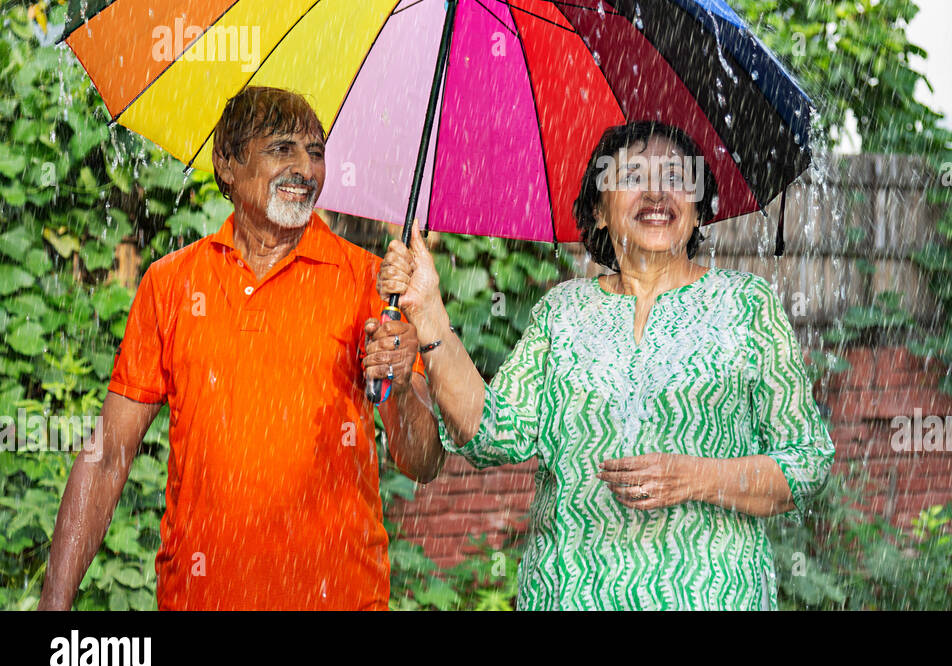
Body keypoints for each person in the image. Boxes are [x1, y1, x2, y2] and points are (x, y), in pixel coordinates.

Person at [378, 120, 834, 609]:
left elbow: (806, 462)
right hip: (569, 594)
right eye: (634, 176)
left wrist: (697, 477)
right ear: (598, 210)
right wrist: (428, 313)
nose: (658, 193)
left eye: (678, 178)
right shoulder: (563, 312)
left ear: (699, 209)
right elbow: (488, 433)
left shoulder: (747, 304)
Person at [38, 87, 443, 611]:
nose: (305, 169)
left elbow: (423, 460)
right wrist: (54, 606)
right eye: (282, 149)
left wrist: (400, 386)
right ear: (226, 163)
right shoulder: (172, 285)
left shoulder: (369, 285)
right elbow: (107, 457)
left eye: (315, 152)